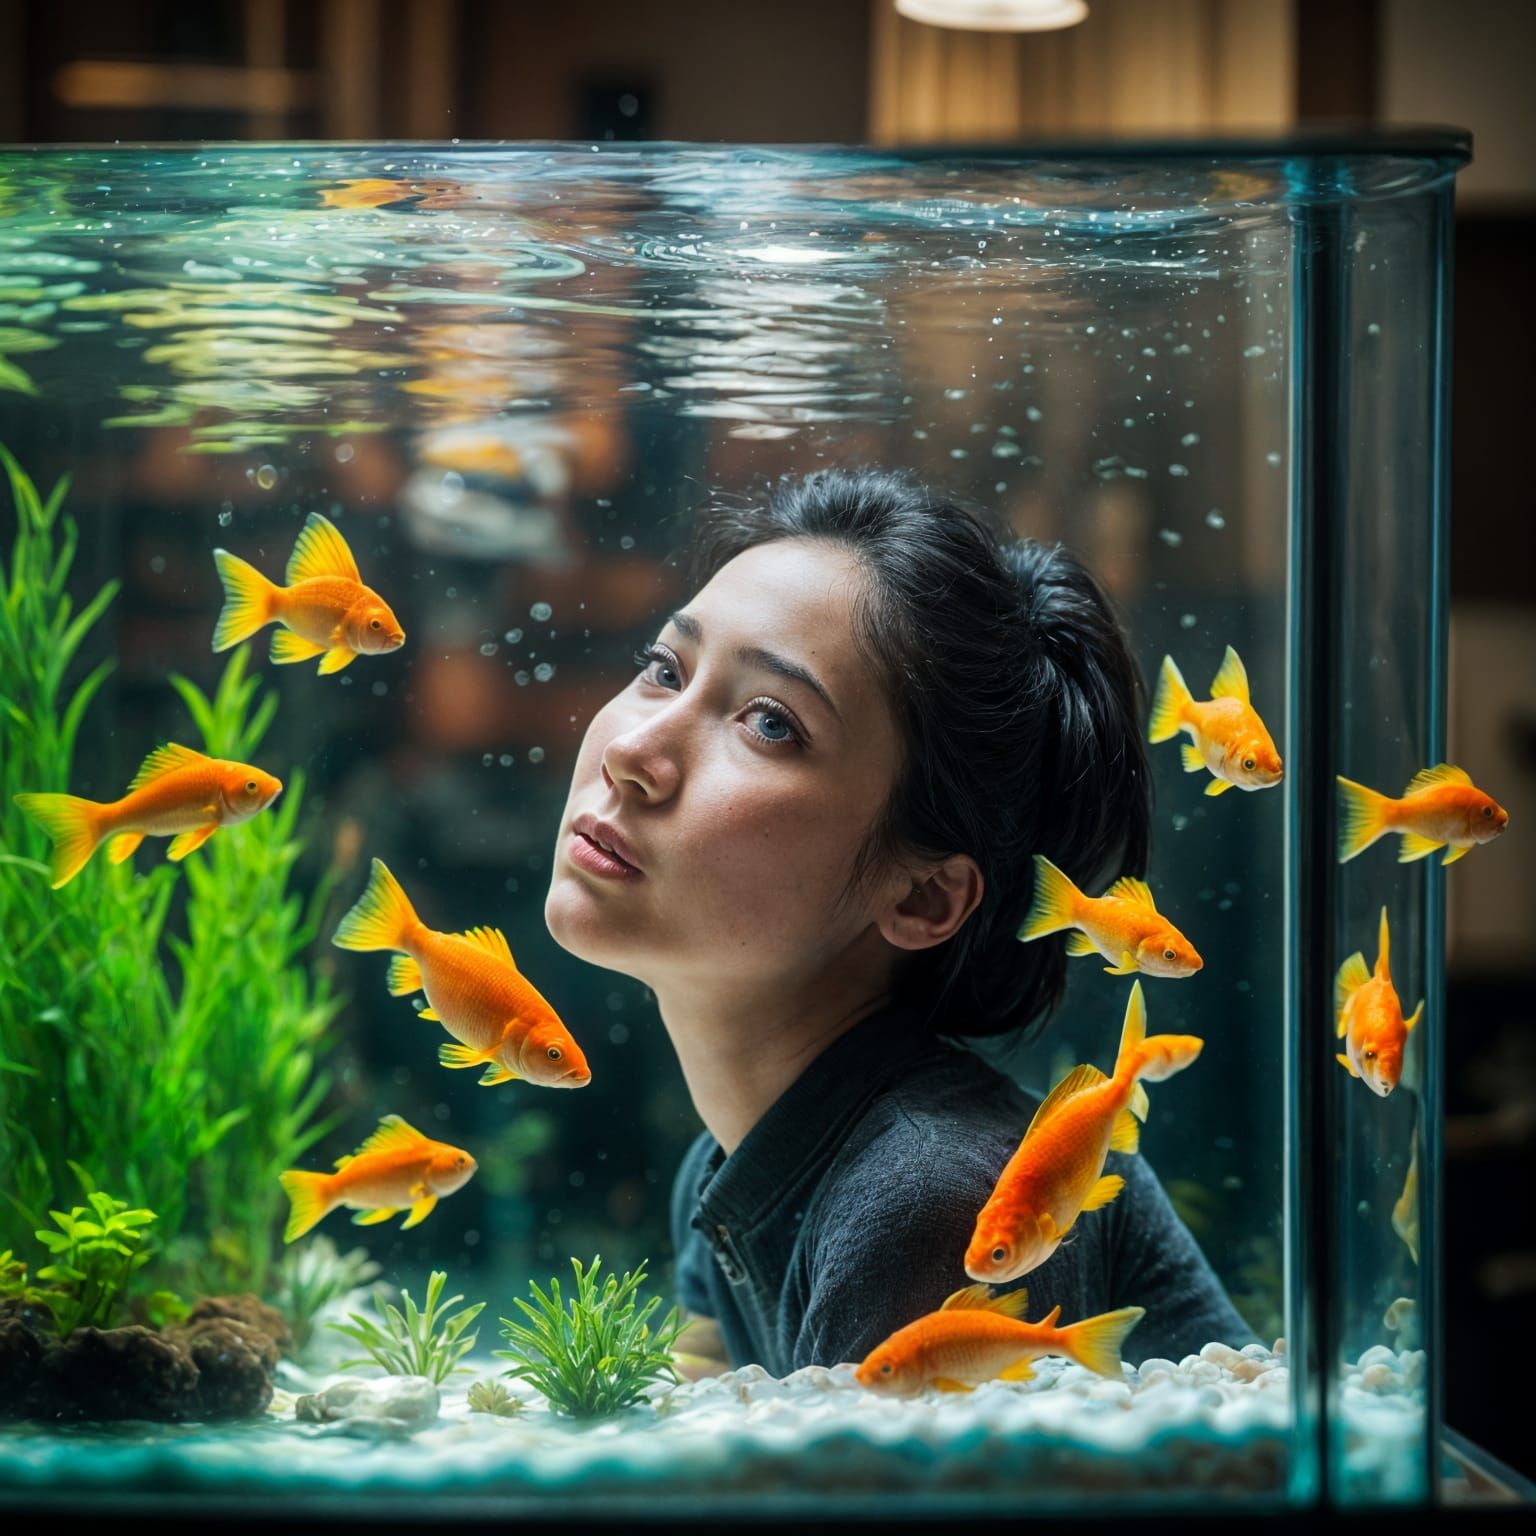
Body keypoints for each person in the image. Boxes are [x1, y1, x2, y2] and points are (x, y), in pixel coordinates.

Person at [544, 467, 1255, 1377]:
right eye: (663, 669)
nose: (633, 753)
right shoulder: (728, 1161)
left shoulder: (924, 1200)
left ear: (923, 896)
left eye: (769, 722)